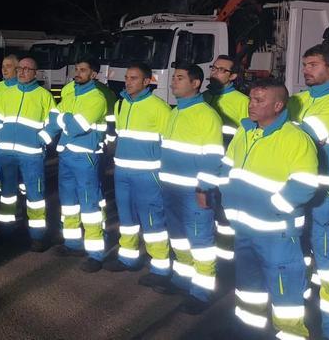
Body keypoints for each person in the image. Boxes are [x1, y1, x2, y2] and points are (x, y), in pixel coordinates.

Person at [210, 78, 318, 339]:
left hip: (276, 234)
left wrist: (275, 208)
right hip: (245, 229)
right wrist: (228, 199)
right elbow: (226, 166)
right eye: (251, 99)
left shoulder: (295, 138)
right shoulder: (245, 131)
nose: (251, 105)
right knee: (249, 290)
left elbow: (305, 184)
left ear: (278, 105)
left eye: (259, 100)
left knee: (286, 298)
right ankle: (249, 332)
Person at [287, 44, 329, 339]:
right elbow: (271, 128)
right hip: (301, 193)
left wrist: (295, 133)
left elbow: (300, 136)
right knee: (301, 258)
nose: (305, 70)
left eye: (312, 65)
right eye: (304, 64)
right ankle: (307, 314)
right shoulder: (299, 99)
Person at [157, 63, 222, 314]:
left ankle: (201, 293)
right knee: (179, 240)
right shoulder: (176, 112)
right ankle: (182, 280)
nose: (174, 82)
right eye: (174, 77)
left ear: (196, 84)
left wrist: (204, 189)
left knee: (201, 244)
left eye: (180, 78)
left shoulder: (206, 115)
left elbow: (213, 157)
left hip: (193, 193)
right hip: (171, 189)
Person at [103, 63, 173, 286]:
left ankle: (160, 267)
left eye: (134, 78)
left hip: (148, 174)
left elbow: (169, 144)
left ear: (147, 81)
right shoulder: (121, 104)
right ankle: (128, 257)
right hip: (122, 172)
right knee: (127, 218)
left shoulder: (160, 108)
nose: (128, 81)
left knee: (153, 221)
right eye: (127, 77)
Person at [0, 57, 57, 251]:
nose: (22, 72)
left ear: (35, 73)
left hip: (32, 155)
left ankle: (37, 237)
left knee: (35, 196)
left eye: (27, 69)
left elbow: (54, 123)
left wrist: (40, 139)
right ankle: (5, 231)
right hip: (7, 153)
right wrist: (2, 135)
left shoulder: (44, 96)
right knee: (7, 195)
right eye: (20, 68)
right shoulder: (6, 93)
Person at [49, 56, 109, 272]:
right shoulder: (71, 93)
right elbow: (53, 117)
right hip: (66, 155)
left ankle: (96, 254)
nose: (78, 73)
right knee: (69, 204)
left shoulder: (97, 98)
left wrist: (63, 119)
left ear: (93, 74)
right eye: (77, 69)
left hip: (85, 158)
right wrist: (64, 119)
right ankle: (72, 243)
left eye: (83, 70)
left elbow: (77, 126)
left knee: (90, 206)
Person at [203, 54, 249, 263]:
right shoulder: (202, 97)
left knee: (224, 218)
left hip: (225, 170)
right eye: (214, 68)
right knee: (202, 214)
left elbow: (248, 139)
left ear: (234, 76)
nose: (215, 72)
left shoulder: (242, 102)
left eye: (222, 70)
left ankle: (226, 263)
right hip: (202, 167)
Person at [0, 54, 19, 195]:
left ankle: (19, 202)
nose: (4, 69)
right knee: (1, 176)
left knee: (14, 177)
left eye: (8, 66)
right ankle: (6, 200)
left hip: (13, 142)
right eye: (2, 66)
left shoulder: (21, 87)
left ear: (17, 69)